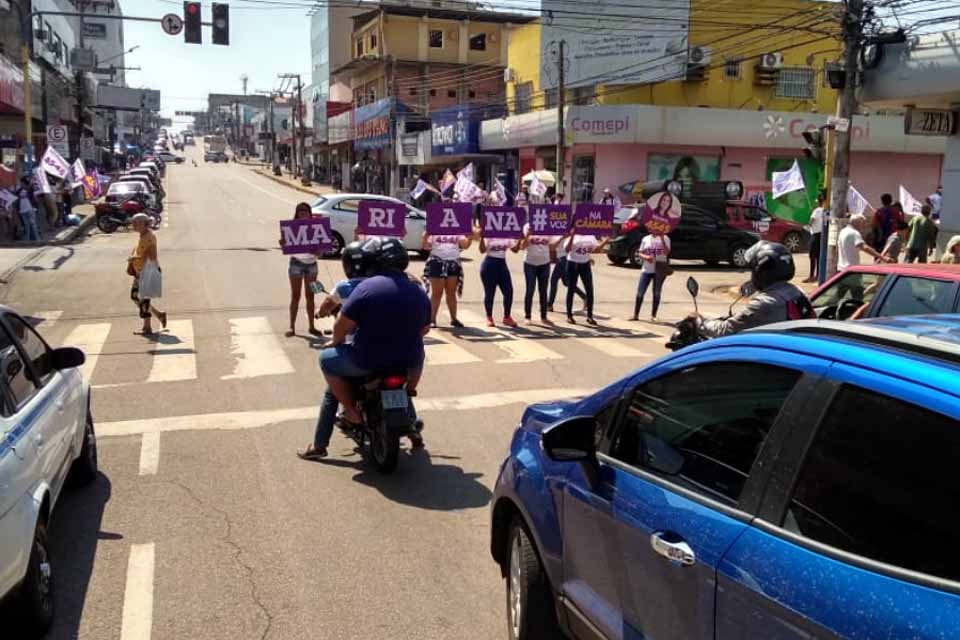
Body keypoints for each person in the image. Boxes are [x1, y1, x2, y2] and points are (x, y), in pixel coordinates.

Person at [300, 240, 431, 460]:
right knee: (404, 389)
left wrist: (335, 342)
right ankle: (412, 427)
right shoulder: (417, 290)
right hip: (409, 363)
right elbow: (424, 329)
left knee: (326, 363)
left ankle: (327, 436)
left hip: (367, 360)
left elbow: (342, 325)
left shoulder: (366, 288)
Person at [697, 241, 815, 338]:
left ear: (762, 272)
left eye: (753, 270)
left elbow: (726, 330)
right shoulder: (797, 292)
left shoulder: (766, 303)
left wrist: (700, 322)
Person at [279, 202, 322, 337]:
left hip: (311, 265)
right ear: (297, 213)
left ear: (310, 213)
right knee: (295, 296)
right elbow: (285, 246)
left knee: (310, 296)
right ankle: (292, 327)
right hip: (296, 263)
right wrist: (283, 243)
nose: (303, 213)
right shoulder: (290, 227)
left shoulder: (317, 228)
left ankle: (311, 326)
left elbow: (320, 254)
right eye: (300, 210)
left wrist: (316, 252)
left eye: (305, 210)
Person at [422, 227, 472, 328]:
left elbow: (465, 245)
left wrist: (470, 237)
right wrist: (425, 236)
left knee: (451, 293)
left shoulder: (456, 228)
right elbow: (425, 247)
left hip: (453, 263)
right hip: (437, 262)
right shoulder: (434, 227)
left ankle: (454, 319)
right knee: (437, 293)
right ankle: (432, 319)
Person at [127, 213, 168, 335]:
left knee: (144, 300)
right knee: (135, 296)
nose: (134, 226)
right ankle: (159, 315)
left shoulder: (149, 237)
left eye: (136, 224)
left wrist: (136, 257)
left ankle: (147, 327)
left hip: (147, 272)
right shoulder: (142, 235)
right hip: (140, 272)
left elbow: (152, 255)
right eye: (133, 223)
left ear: (145, 224)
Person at [563, 230, 609, 325]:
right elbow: (567, 249)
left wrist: (606, 241)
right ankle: (569, 315)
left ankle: (590, 316)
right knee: (571, 289)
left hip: (585, 264)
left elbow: (596, 250)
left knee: (589, 290)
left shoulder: (590, 236)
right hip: (572, 263)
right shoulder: (573, 236)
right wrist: (572, 236)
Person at [629, 229, 671, 322]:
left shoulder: (666, 238)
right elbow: (640, 252)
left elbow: (667, 252)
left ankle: (653, 315)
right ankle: (636, 315)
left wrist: (662, 239)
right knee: (640, 292)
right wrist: (646, 257)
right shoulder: (646, 239)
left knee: (656, 292)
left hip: (659, 270)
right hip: (647, 269)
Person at [479, 235, 520, 327]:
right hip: (489, 265)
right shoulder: (489, 234)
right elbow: (482, 250)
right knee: (490, 293)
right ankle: (489, 317)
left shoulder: (506, 234)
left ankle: (507, 317)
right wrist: (482, 237)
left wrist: (520, 238)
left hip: (502, 265)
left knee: (509, 291)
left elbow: (515, 250)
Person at [521, 223, 553, 325]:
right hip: (530, 263)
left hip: (544, 263)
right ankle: (527, 316)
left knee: (543, 290)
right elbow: (522, 246)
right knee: (530, 289)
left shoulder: (548, 225)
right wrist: (528, 235)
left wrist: (563, 238)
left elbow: (552, 245)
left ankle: (544, 317)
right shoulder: (527, 226)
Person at [547, 233, 586, 312]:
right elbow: (552, 247)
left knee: (554, 280)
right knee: (567, 283)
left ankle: (549, 304)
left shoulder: (567, 234)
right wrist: (553, 258)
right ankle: (585, 297)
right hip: (561, 259)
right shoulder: (556, 234)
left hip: (564, 259)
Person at [804, 192, 826, 282]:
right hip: (822, 235)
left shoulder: (816, 210)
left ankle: (811, 276)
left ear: (818, 202)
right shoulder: (825, 210)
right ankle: (818, 275)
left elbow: (811, 222)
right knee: (818, 256)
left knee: (812, 256)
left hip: (815, 236)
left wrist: (807, 226)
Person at [15, 176, 39, 242]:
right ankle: (28, 240)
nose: (20, 184)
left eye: (21, 182)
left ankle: (36, 239)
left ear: (24, 182)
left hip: (30, 209)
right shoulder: (19, 190)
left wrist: (31, 182)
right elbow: (15, 196)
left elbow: (35, 188)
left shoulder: (30, 188)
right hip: (22, 210)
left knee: (33, 224)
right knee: (26, 225)